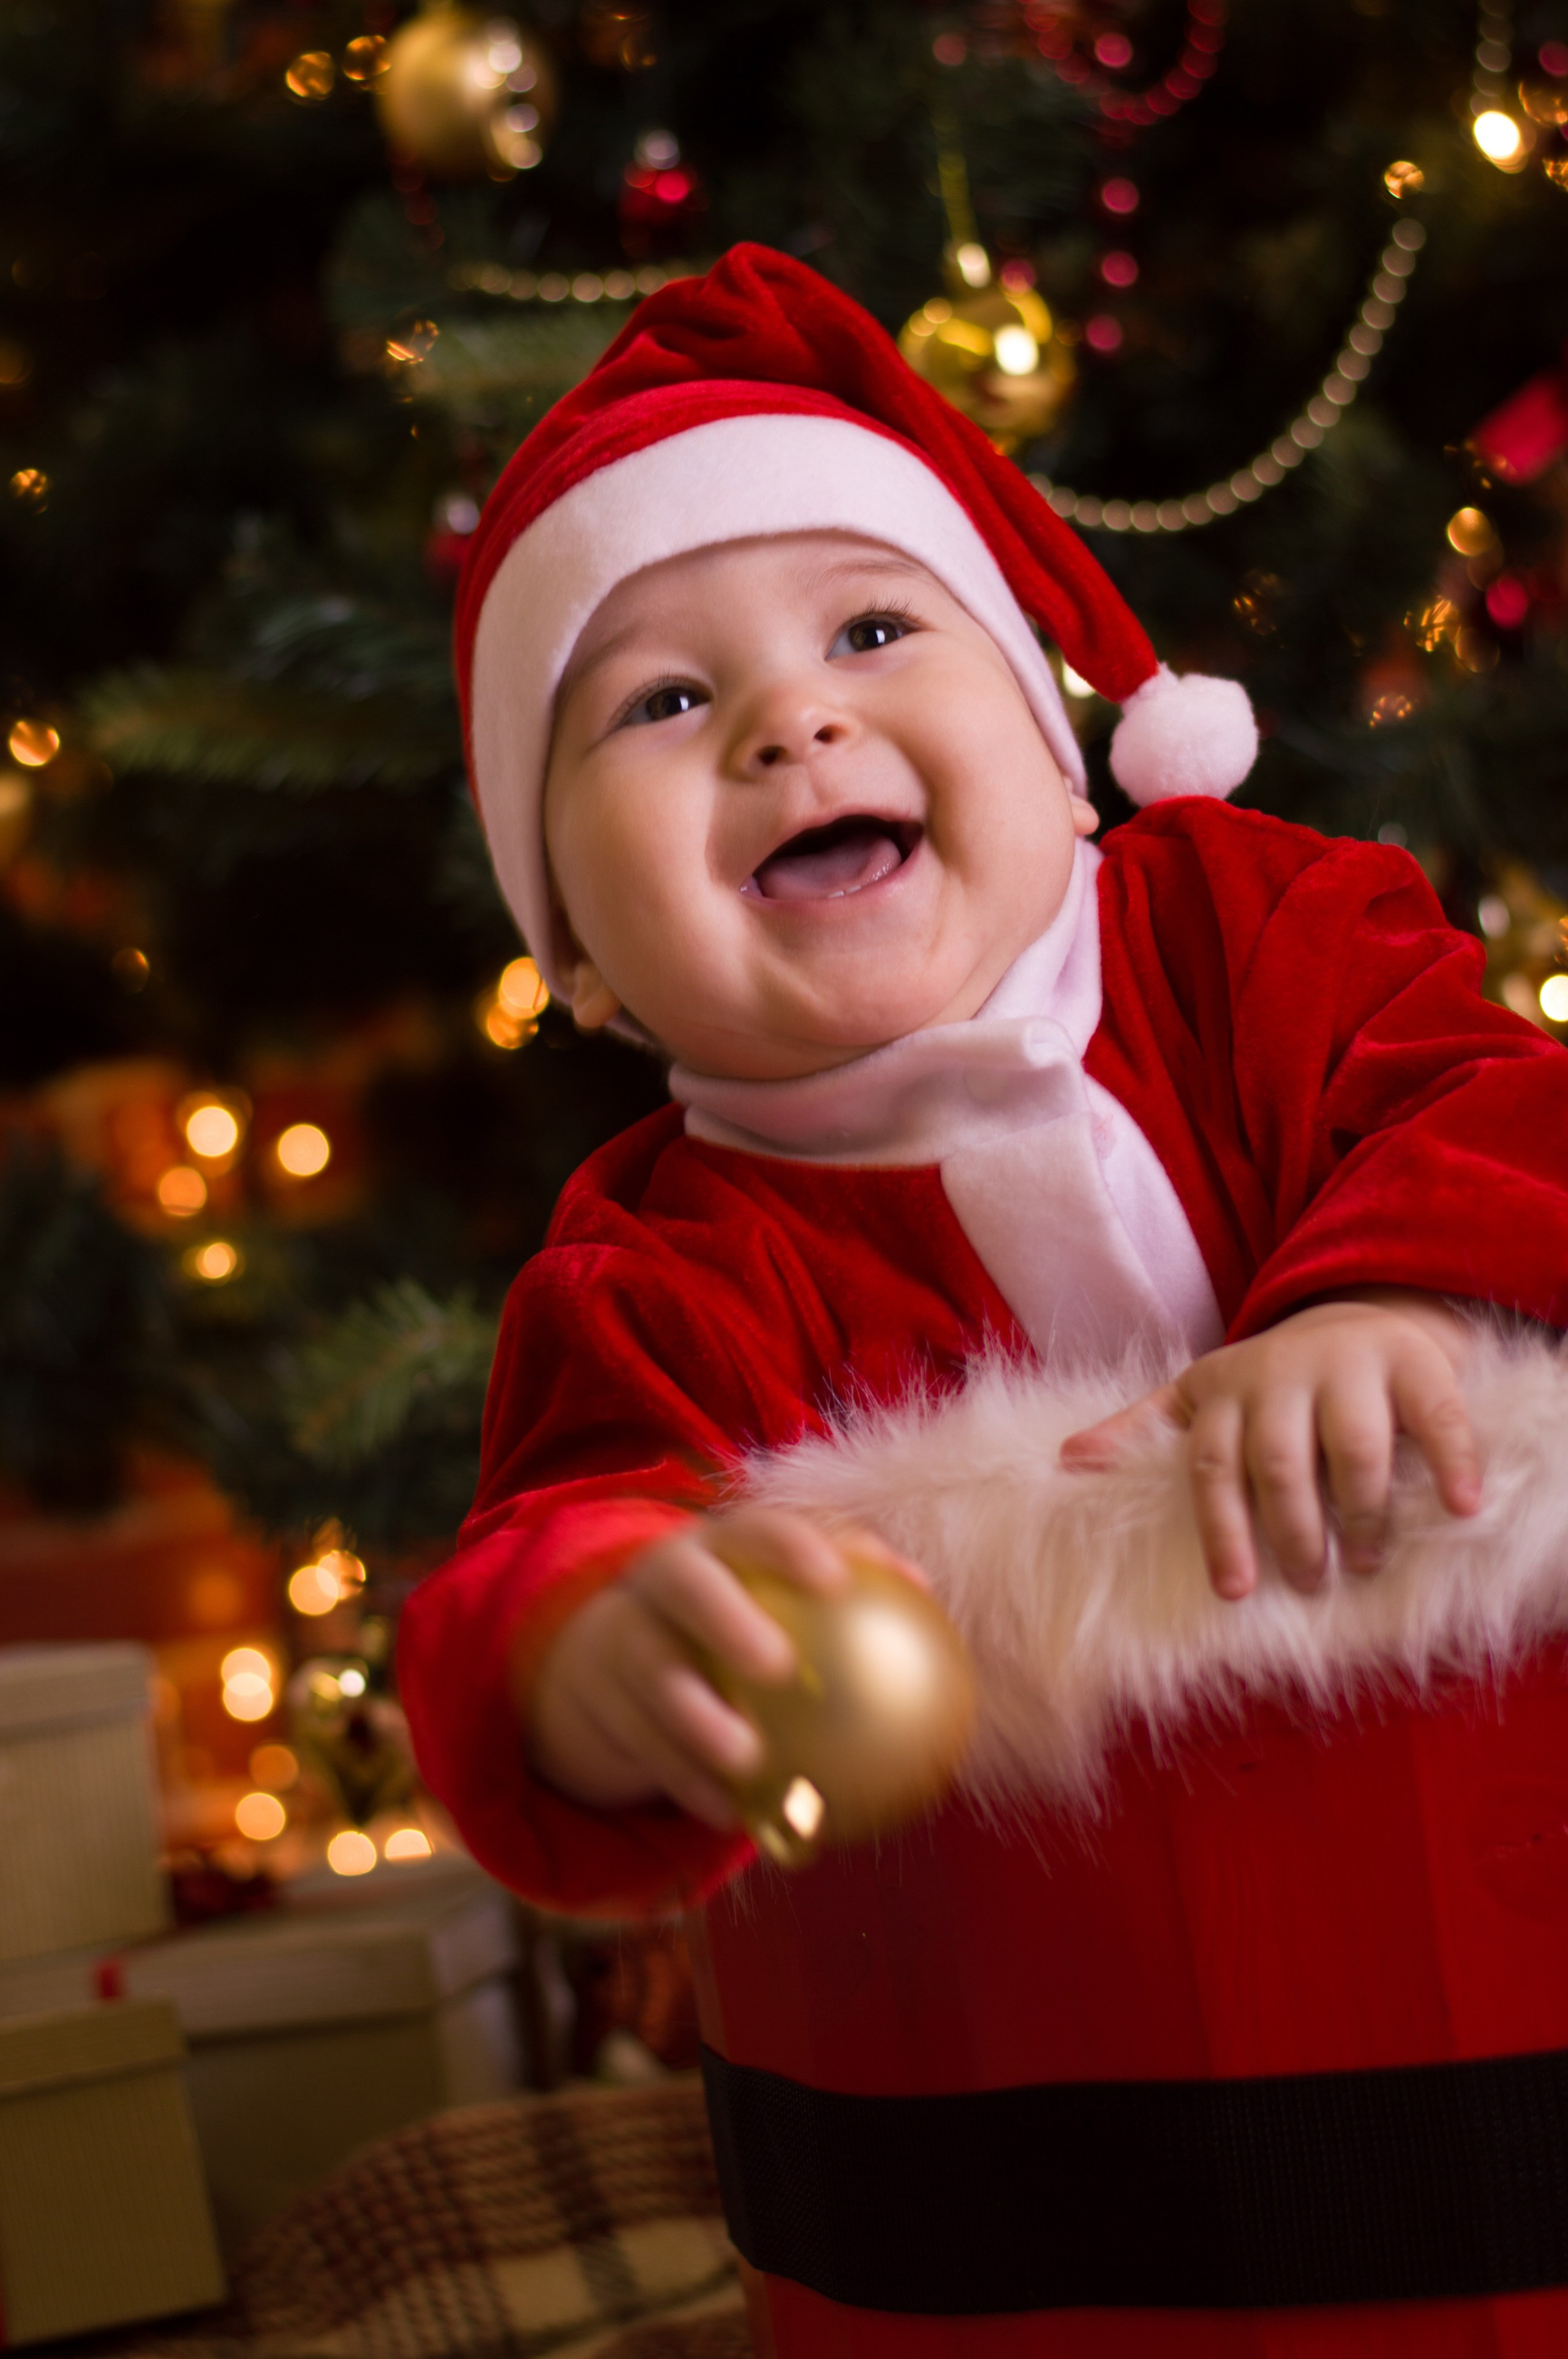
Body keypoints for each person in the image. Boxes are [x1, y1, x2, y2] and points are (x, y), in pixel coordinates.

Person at [401, 244, 1568, 2354]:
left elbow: (1488, 1098)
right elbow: (543, 1539)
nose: (792, 714)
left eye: (872, 626)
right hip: (1030, 2155)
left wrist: (1378, 1304)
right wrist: (601, 1646)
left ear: (1055, 749)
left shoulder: (1248, 922)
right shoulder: (658, 1258)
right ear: (571, 947)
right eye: (663, 701)